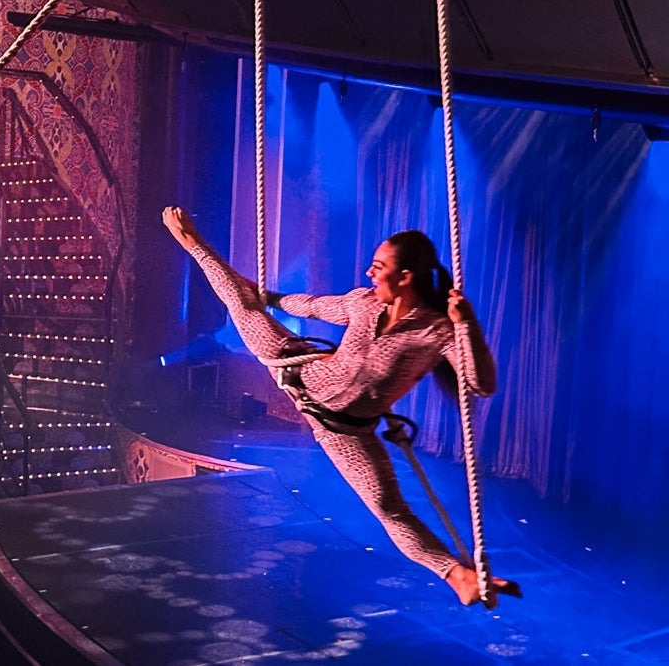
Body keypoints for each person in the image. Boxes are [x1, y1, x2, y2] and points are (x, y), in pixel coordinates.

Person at [161, 205, 520, 606]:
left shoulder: (435, 332)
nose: (369, 273)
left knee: (389, 508)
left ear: (404, 277)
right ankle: (193, 243)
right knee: (242, 305)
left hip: (345, 431)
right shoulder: (363, 303)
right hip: (297, 370)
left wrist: (466, 324)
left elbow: (480, 384)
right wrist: (271, 298)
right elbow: (312, 305)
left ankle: (458, 577)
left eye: (378, 266)